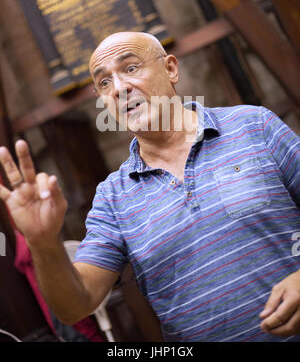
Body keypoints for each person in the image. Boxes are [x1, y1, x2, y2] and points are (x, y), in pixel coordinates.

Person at [0, 31, 300, 342]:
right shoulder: (113, 197)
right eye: (104, 83)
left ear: (170, 69)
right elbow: (77, 304)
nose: (118, 88)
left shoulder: (253, 126)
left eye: (130, 68)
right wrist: (42, 242)